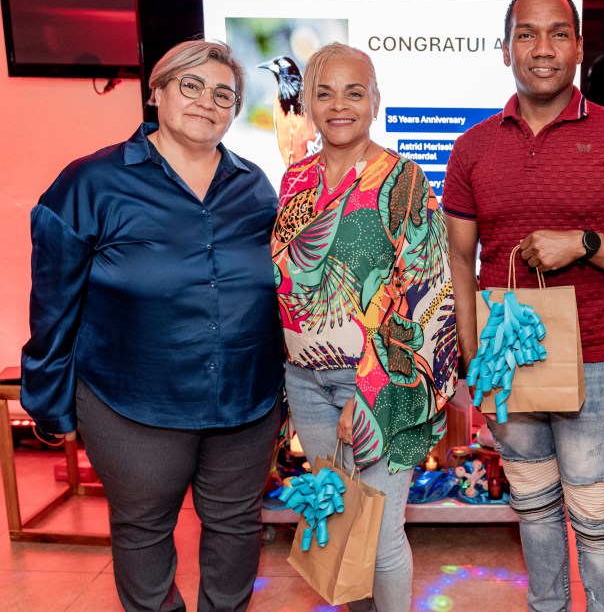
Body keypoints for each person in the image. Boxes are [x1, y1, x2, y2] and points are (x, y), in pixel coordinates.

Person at [21, 39, 284, 611]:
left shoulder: (256, 186)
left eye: (223, 95)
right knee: (143, 528)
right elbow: (53, 307)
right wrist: (50, 403)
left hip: (247, 399)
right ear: (157, 91)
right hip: (132, 401)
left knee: (237, 524)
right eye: (191, 85)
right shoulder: (90, 183)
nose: (207, 101)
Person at [444, 0, 604, 612]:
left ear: (577, 48)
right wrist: (472, 353)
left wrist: (584, 243)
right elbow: (459, 257)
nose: (541, 48)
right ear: (505, 49)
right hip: (504, 360)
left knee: (595, 515)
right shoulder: (472, 147)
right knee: (533, 505)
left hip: (594, 361)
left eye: (557, 33)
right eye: (526, 34)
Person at [272, 42, 457, 612]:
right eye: (324, 93)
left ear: (376, 100)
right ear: (308, 103)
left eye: (354, 92)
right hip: (305, 382)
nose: (339, 106)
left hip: (380, 384)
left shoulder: (404, 180)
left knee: (378, 535)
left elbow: (426, 293)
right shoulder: (295, 178)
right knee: (342, 521)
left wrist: (371, 392)